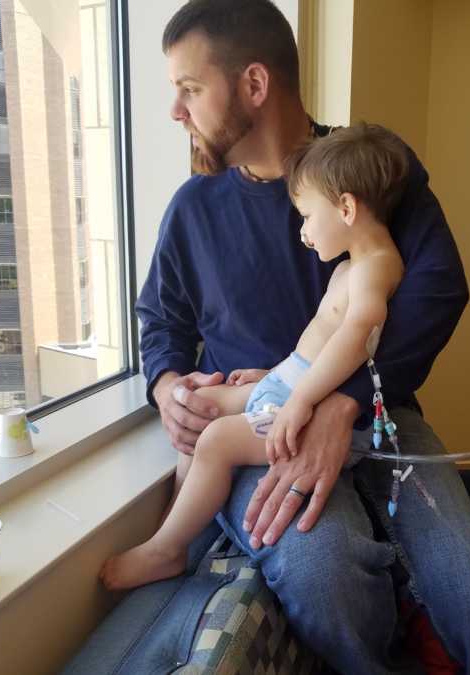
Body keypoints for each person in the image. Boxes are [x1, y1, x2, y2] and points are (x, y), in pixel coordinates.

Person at [137, 0, 470, 672]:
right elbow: (161, 324)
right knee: (330, 579)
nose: (176, 112)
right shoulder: (191, 211)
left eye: (189, 89)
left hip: (379, 415)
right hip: (264, 424)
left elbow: (441, 286)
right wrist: (169, 386)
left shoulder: (365, 168)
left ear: (254, 85)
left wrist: (342, 398)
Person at [100, 123, 408, 591]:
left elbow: (356, 336)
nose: (303, 232)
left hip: (310, 413)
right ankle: (173, 530)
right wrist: (275, 375)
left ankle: (167, 550)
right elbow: (320, 346)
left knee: (217, 442)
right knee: (201, 413)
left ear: (345, 208)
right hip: (291, 385)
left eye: (307, 216)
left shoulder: (375, 269)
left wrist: (301, 399)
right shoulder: (351, 265)